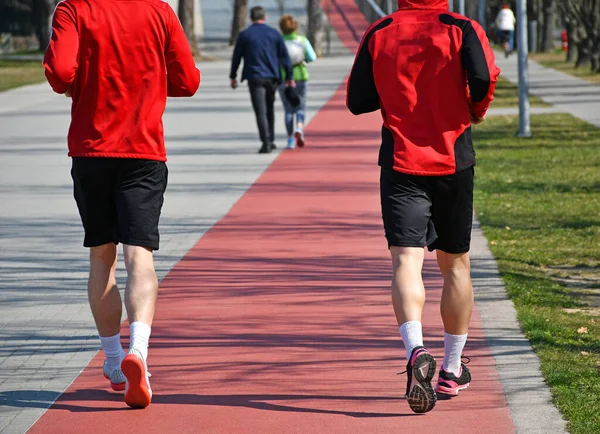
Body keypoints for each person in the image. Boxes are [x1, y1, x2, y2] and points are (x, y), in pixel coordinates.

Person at [43, 0, 200, 409]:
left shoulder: (73, 9)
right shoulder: (160, 11)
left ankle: (113, 361)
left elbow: (60, 73)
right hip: (144, 151)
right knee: (140, 257)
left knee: (101, 257)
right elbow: (187, 80)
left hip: (92, 150)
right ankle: (140, 352)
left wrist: (81, 85)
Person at [347, 0, 499, 414]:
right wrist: (473, 111)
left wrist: (398, 88)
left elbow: (358, 100)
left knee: (405, 263)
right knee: (455, 266)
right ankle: (451, 370)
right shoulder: (462, 27)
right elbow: (483, 77)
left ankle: (415, 350)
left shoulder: (381, 31)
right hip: (454, 158)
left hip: (401, 163)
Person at [230, 6, 295, 154]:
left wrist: (233, 76)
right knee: (269, 108)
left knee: (260, 110)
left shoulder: (245, 35)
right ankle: (270, 140)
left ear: (251, 18)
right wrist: (289, 77)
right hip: (272, 77)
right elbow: (284, 57)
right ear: (264, 18)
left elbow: (237, 57)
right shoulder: (274, 34)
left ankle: (265, 142)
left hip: (255, 77)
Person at [278, 14, 317, 149]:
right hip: (301, 76)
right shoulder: (302, 40)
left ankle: (290, 139)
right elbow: (312, 57)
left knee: (288, 109)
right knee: (300, 105)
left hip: (283, 78)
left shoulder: (279, 41)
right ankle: (299, 128)